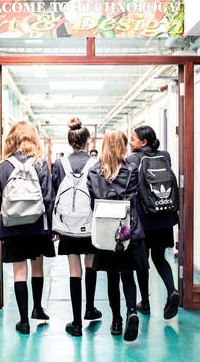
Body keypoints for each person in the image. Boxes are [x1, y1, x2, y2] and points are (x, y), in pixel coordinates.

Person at [0, 121, 56, 335]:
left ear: (11, 139)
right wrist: (52, 227)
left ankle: (24, 321)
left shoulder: (2, 167)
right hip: (37, 225)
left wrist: (12, 209)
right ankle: (38, 308)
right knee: (38, 267)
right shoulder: (41, 164)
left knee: (19, 272)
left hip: (13, 227)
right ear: (33, 138)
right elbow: (48, 198)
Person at [87, 129, 148, 342]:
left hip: (105, 231)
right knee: (128, 274)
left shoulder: (94, 172)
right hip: (128, 230)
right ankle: (132, 310)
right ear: (122, 146)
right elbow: (137, 198)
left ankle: (116, 321)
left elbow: (92, 201)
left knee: (112, 277)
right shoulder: (132, 169)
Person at [52, 117, 102, 337]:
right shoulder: (95, 163)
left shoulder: (59, 164)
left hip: (68, 225)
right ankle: (90, 308)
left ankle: (76, 323)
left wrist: (53, 228)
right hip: (90, 224)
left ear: (70, 141)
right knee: (90, 264)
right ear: (87, 141)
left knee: (74, 269)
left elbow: (54, 194)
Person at [127, 125, 180, 319]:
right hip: (165, 217)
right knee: (159, 258)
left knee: (142, 262)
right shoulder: (164, 156)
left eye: (133, 139)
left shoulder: (132, 159)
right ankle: (172, 290)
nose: (129, 142)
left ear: (144, 142)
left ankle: (145, 303)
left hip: (144, 220)